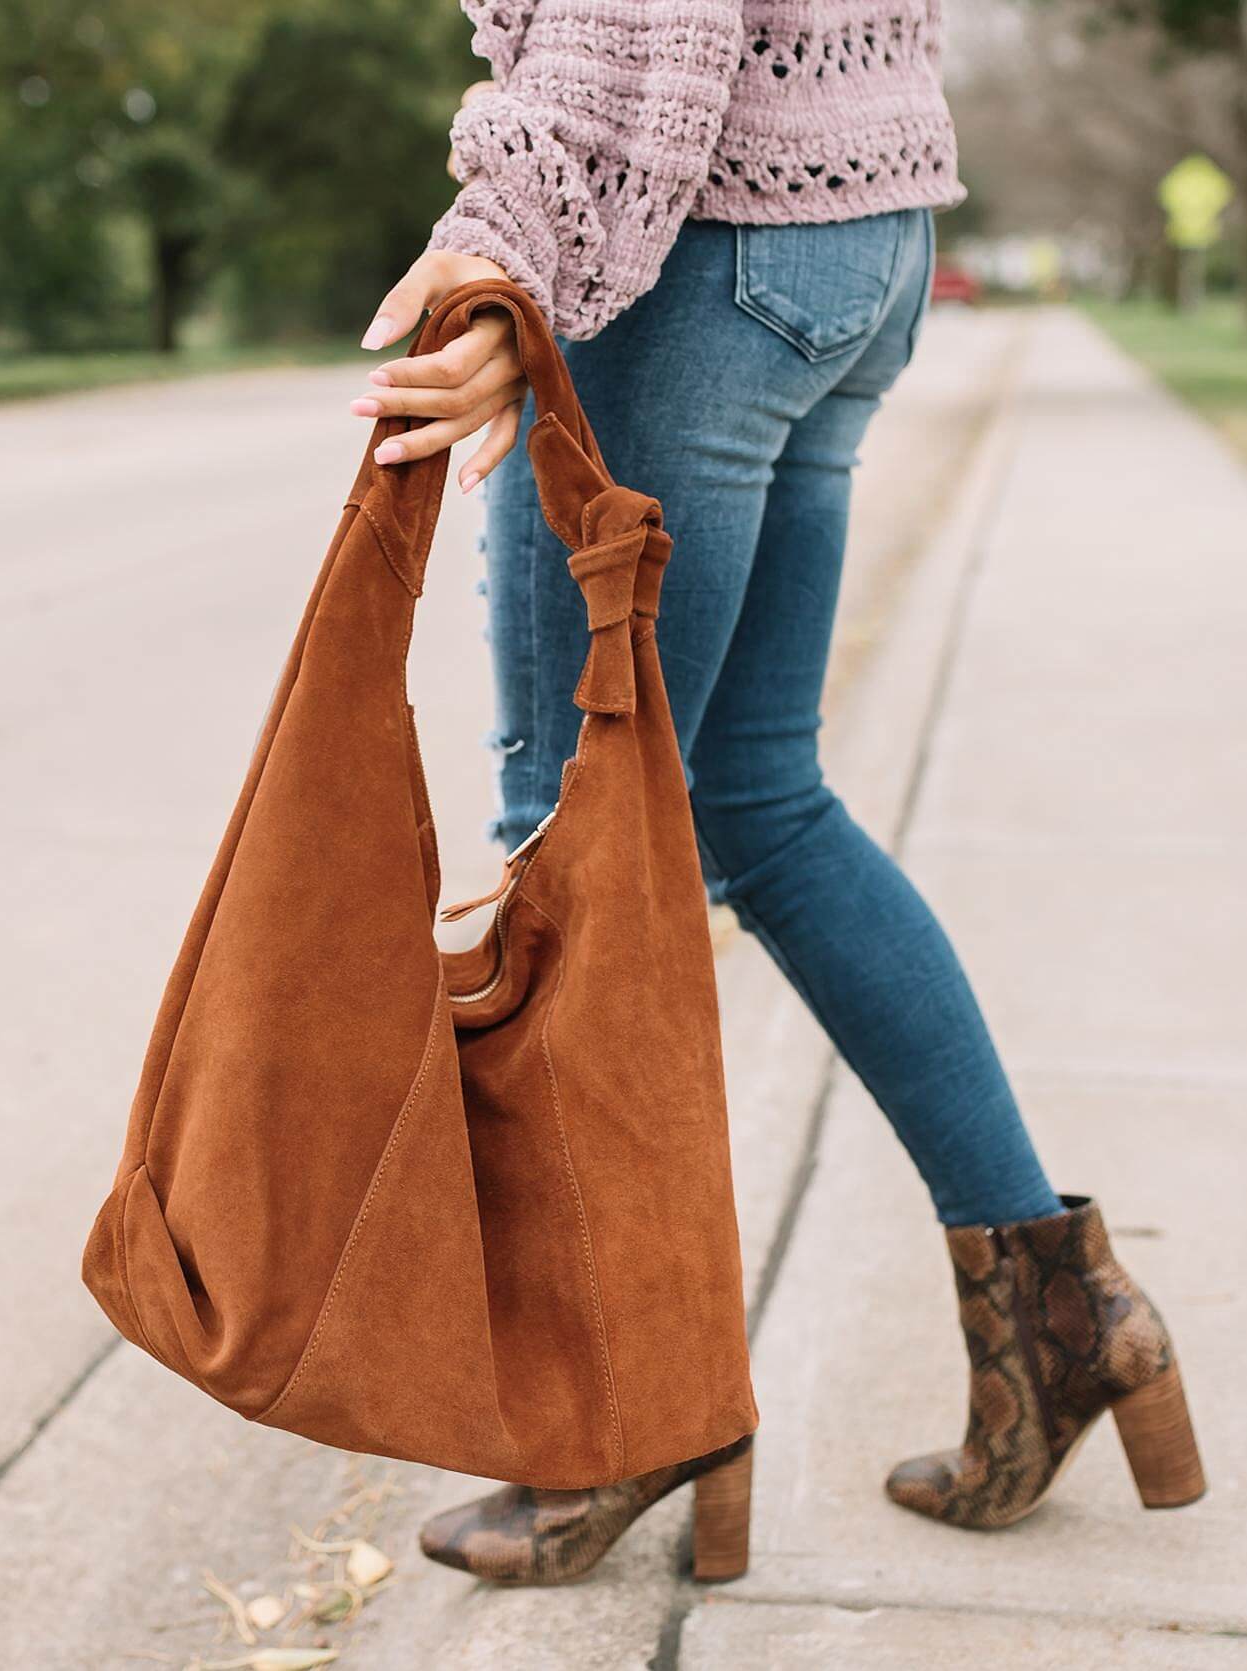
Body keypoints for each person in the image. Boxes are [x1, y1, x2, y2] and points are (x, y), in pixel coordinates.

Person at [346, 0, 1206, 1585]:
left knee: (572, 836)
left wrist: (502, 260)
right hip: (845, 246)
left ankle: (625, 1408)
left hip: (692, 255)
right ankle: (1061, 1320)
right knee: (756, 803)